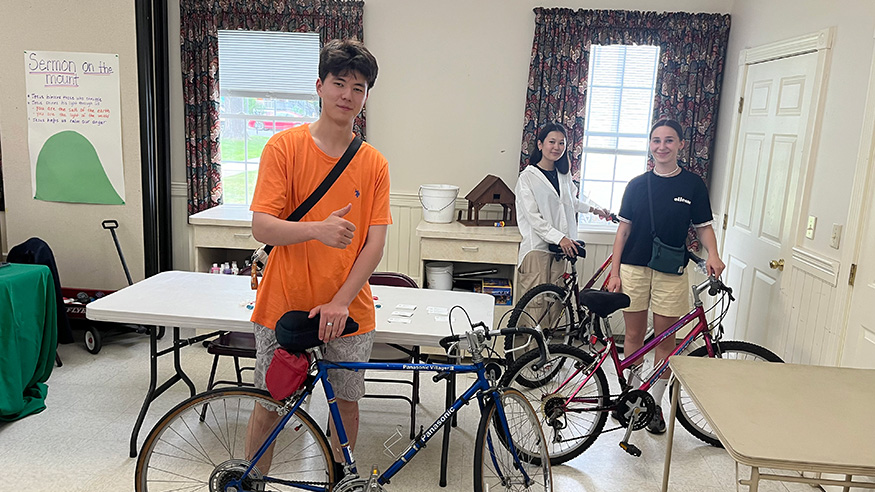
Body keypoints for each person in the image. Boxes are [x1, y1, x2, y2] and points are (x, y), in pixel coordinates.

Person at [245, 39, 391, 481]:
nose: (348, 94)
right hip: (282, 306)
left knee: (346, 404)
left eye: (359, 88)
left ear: (366, 97)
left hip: (349, 313)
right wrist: (317, 229)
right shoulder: (283, 148)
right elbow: (262, 227)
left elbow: (374, 244)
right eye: (339, 83)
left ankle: (339, 482)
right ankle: (251, 482)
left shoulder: (374, 164)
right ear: (320, 87)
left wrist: (342, 300)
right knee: (270, 405)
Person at [606, 118, 725, 434]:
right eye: (656, 140)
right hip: (634, 268)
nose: (662, 146)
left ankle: (653, 403)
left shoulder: (693, 185)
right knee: (632, 336)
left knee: (665, 341)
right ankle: (631, 400)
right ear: (650, 145)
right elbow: (623, 231)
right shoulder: (636, 185)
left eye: (669, 140)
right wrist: (614, 272)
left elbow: (703, 227)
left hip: (671, 272)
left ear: (681, 145)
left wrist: (713, 253)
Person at [515, 122, 611, 297]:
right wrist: (560, 238)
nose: (556, 147)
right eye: (552, 142)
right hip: (538, 249)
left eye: (561, 143)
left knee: (556, 302)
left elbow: (570, 202)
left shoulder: (563, 175)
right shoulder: (527, 177)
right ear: (540, 144)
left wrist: (595, 210)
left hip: (560, 249)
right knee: (535, 306)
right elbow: (533, 217)